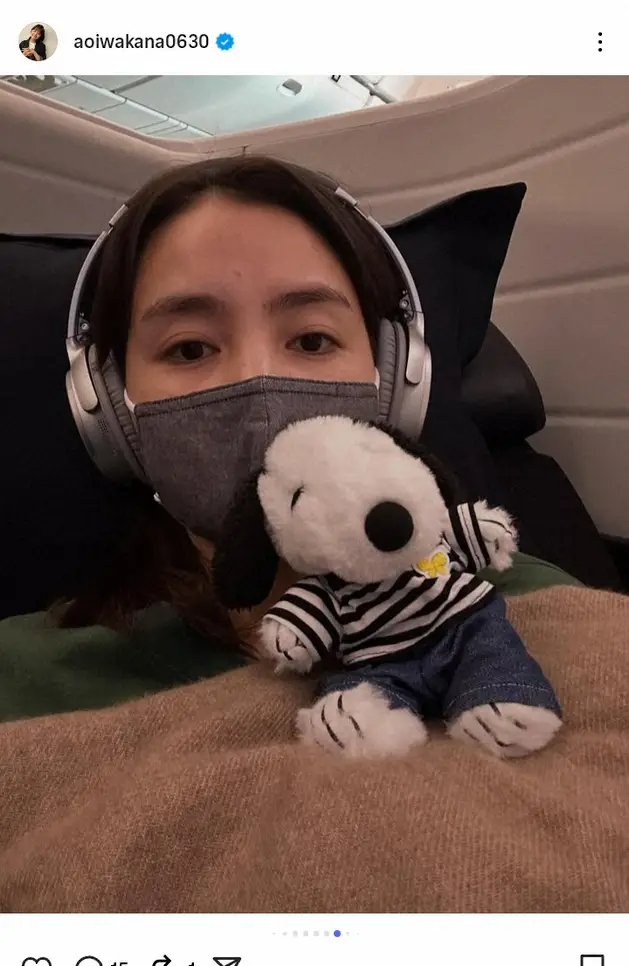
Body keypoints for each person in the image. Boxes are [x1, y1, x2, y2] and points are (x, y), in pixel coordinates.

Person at [0, 155, 579, 724]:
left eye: (311, 340)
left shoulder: (529, 599)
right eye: (190, 348)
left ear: (397, 384)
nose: (259, 386)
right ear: (106, 407)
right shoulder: (31, 678)